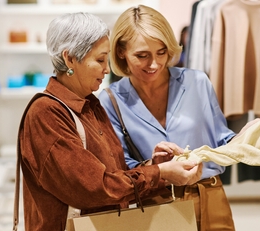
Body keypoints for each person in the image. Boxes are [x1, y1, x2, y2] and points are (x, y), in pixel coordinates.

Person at [18, 12, 202, 231]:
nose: (107, 69)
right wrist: (160, 173)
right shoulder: (46, 113)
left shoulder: (91, 106)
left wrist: (154, 166)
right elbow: (95, 187)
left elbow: (115, 176)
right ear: (69, 59)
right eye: (99, 60)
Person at [98, 5, 237, 231]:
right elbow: (120, 168)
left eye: (161, 52)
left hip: (210, 196)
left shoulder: (197, 82)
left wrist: (250, 135)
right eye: (142, 56)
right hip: (156, 206)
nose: (154, 64)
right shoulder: (110, 101)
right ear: (121, 51)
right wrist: (154, 166)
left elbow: (222, 140)